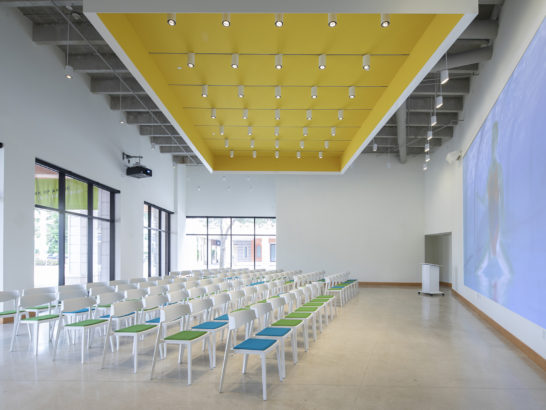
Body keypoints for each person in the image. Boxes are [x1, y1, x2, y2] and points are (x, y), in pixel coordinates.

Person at [474, 121, 512, 303]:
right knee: (492, 248)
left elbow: (500, 195)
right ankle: (483, 272)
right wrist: (479, 198)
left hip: (495, 213)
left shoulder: (497, 169)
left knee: (495, 247)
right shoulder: (492, 169)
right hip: (491, 213)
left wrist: (502, 214)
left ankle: (503, 275)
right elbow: (486, 198)